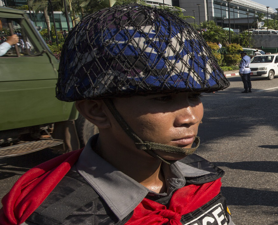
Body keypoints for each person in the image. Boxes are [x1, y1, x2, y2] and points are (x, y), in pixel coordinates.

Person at [0, 4, 234, 225]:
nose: (190, 118)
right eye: (163, 98)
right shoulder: (54, 213)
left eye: (194, 97)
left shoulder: (200, 174)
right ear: (96, 111)